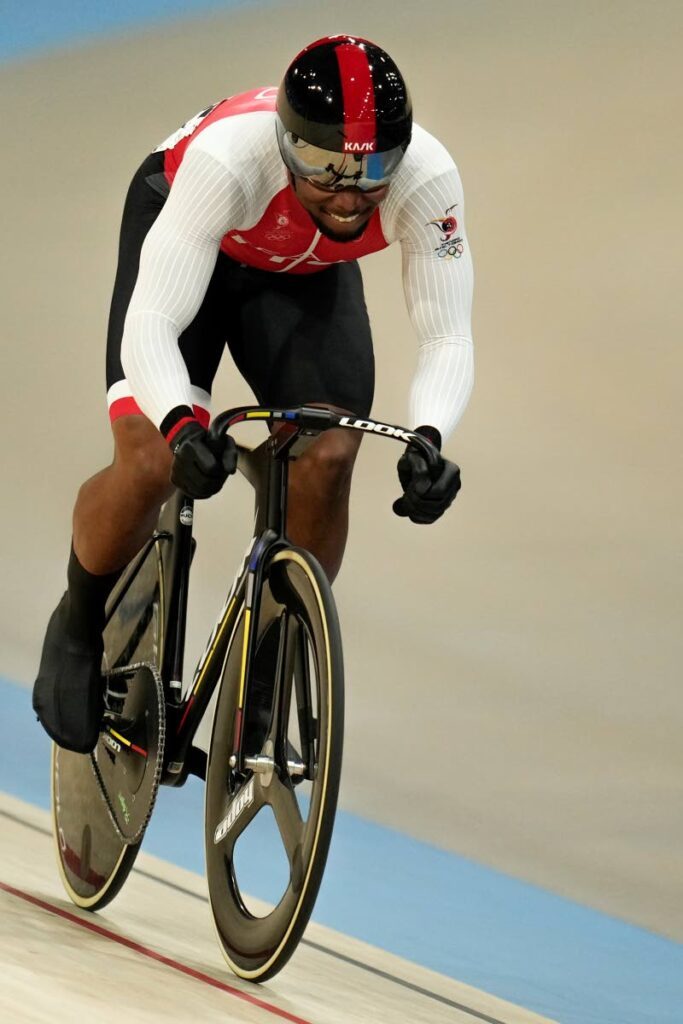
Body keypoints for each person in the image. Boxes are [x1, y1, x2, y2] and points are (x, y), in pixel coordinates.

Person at [33, 34, 474, 754]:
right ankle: (80, 621)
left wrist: (429, 436)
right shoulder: (227, 161)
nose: (348, 193)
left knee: (329, 453)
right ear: (286, 143)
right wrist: (179, 425)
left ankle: (271, 646)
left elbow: (448, 335)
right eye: (325, 167)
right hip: (197, 247)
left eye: (372, 171)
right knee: (147, 459)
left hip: (300, 274)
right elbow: (153, 321)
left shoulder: (427, 180)